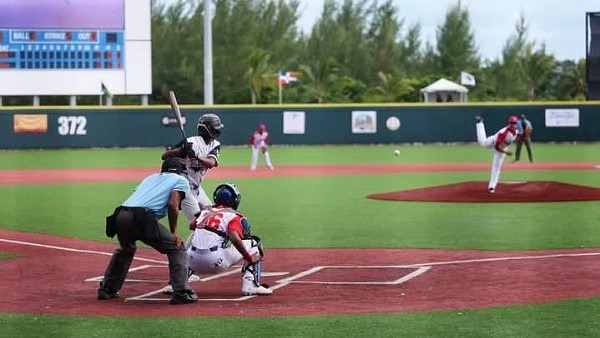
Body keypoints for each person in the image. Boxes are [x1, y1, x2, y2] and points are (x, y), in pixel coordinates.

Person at [98, 157, 198, 304]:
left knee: (126, 249)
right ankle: (182, 292)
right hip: (140, 216)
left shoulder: (150, 178)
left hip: (120, 214)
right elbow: (172, 205)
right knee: (177, 247)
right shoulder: (180, 180)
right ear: (180, 171)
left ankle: (107, 289)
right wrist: (174, 234)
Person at [186, 182, 273, 296]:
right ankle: (250, 285)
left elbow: (192, 226)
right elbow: (234, 237)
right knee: (254, 243)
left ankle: (177, 283)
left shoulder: (205, 211)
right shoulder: (233, 215)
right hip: (215, 260)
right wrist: (248, 257)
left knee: (191, 242)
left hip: (192, 261)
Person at [162, 113, 224, 221]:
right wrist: (181, 150)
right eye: (215, 128)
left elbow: (210, 163)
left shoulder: (215, 145)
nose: (218, 130)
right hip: (184, 189)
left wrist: (196, 156)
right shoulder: (191, 142)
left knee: (212, 217)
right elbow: (165, 156)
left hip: (197, 189)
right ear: (208, 129)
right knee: (198, 223)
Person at [475, 115, 519, 193]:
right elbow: (496, 147)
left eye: (514, 123)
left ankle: (492, 187)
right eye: (511, 123)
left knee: (496, 167)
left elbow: (520, 135)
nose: (513, 124)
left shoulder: (517, 131)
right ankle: (480, 123)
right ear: (509, 123)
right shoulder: (503, 133)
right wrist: (506, 152)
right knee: (482, 142)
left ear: (517, 124)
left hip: (503, 147)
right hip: (494, 143)